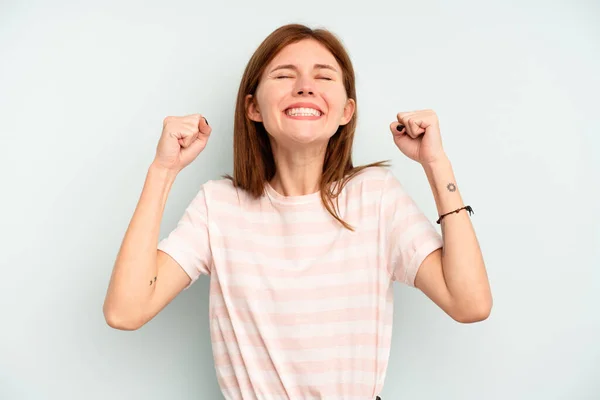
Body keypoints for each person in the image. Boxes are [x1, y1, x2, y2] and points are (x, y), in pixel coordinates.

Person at [103, 23, 492, 400]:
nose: (305, 86)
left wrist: (435, 163)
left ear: (346, 111)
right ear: (253, 107)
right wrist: (163, 170)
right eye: (285, 75)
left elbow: (470, 303)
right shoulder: (218, 206)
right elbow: (126, 310)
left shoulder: (376, 198)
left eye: (323, 77)